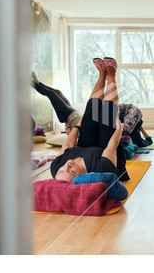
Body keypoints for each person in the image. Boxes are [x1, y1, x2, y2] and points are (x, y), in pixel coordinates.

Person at [50, 59, 130, 194]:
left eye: (62, 170)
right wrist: (119, 129)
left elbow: (68, 145)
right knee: (107, 113)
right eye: (71, 171)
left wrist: (78, 126)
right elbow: (113, 144)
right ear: (81, 178)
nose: (67, 165)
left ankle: (101, 75)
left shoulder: (57, 166)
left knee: (91, 110)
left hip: (86, 148)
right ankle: (111, 74)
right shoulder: (101, 169)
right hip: (107, 152)